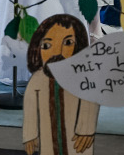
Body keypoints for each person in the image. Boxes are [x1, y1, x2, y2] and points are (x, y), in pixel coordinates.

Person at [23, 15, 99, 155]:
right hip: (48, 137)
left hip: (77, 140)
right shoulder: (38, 79)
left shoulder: (82, 76)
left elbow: (90, 100)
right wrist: (30, 134)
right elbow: (30, 105)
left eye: (68, 43)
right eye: (47, 45)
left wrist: (86, 129)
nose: (57, 52)